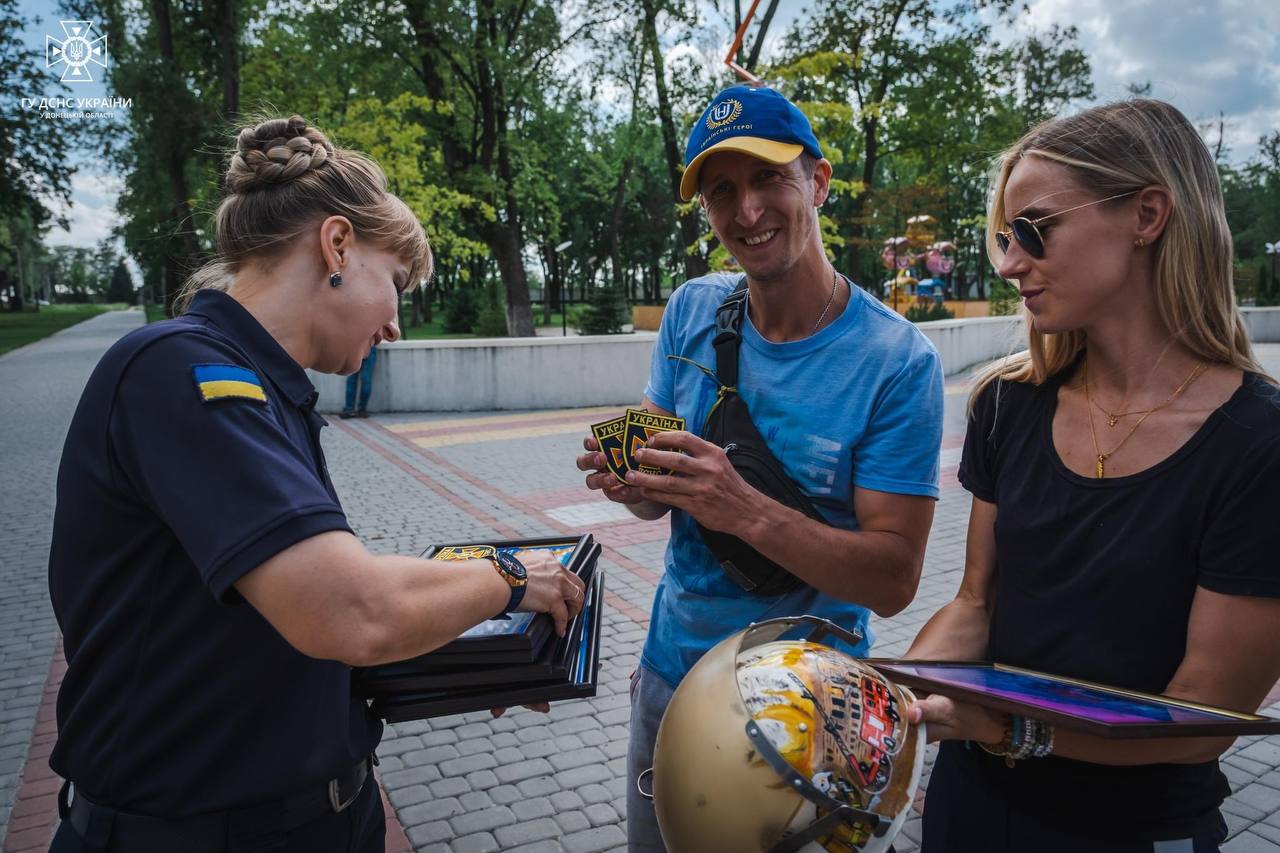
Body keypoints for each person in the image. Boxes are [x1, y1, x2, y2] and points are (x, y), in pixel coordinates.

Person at [46, 115, 585, 853]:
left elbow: (269, 632)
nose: (396, 325)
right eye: (397, 284)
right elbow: (347, 609)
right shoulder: (181, 373)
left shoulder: (266, 392)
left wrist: (477, 654)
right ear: (337, 245)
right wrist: (511, 578)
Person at [575, 84, 945, 850]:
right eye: (722, 191)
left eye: (768, 178)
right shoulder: (691, 310)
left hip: (809, 709)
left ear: (818, 181)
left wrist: (740, 505)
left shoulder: (897, 361)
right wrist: (639, 485)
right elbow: (671, 496)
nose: (746, 211)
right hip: (671, 677)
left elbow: (894, 579)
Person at [904, 99, 1280, 852]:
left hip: (1136, 828)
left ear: (1147, 215)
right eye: (1006, 239)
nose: (1010, 263)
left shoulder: (1259, 442)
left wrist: (1008, 727)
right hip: (970, 805)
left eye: (1035, 231)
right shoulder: (1006, 402)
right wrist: (893, 693)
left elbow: (1201, 716)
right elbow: (976, 601)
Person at [341, 344, 377, 417]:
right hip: (370, 346)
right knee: (366, 379)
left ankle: (349, 409)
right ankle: (362, 410)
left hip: (355, 346)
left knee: (351, 379)